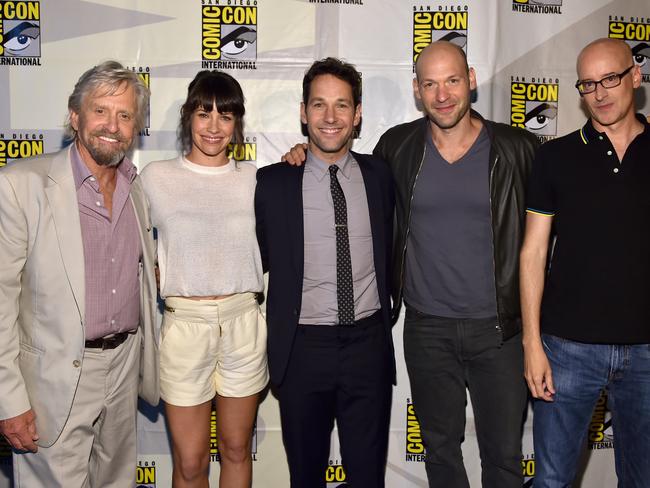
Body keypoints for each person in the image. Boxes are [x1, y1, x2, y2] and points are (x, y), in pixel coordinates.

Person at [283, 42, 538, 487]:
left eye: (452, 80)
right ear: (417, 90)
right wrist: (299, 156)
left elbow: (543, 244)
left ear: (472, 80)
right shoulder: (396, 148)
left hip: (500, 331)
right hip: (427, 330)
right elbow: (338, 169)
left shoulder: (518, 148)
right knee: (440, 453)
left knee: (504, 458)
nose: (442, 94)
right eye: (430, 83)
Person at [0, 61, 158, 487]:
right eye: (101, 111)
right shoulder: (20, 185)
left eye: (125, 115)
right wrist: (8, 399)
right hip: (54, 377)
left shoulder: (136, 187)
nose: (113, 125)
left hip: (124, 364)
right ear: (75, 116)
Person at [255, 58, 395, 488]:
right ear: (303, 112)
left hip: (368, 346)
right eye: (319, 105)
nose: (330, 117)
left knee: (368, 478)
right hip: (302, 349)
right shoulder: (272, 183)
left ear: (357, 115)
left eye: (341, 105)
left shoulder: (382, 175)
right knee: (306, 477)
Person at [520, 37, 650, 487]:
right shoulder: (554, 156)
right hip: (566, 349)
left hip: (647, 352)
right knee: (551, 480)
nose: (600, 93)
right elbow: (533, 252)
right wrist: (532, 345)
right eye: (588, 84)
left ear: (635, 75)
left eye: (610, 78)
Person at [140, 70, 267, 488]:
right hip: (185, 325)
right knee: (191, 464)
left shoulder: (254, 179)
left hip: (243, 322)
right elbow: (126, 245)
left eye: (225, 116)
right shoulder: (156, 178)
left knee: (235, 450)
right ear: (187, 117)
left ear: (237, 124)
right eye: (204, 113)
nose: (214, 126)